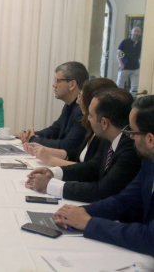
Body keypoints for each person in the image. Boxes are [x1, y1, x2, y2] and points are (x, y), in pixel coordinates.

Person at [53, 95, 154, 256]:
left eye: (132, 131)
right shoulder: (149, 162)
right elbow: (125, 200)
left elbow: (150, 238)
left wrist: (89, 223)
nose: (130, 136)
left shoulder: (140, 156)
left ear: (150, 139)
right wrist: (78, 212)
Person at [25, 88, 141, 203]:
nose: (88, 118)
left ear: (104, 123)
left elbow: (102, 191)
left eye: (90, 115)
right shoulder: (110, 137)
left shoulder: (130, 149)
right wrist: (54, 173)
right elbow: (92, 167)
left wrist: (49, 186)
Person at [23, 78, 117, 166]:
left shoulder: (103, 133)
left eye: (81, 96)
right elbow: (75, 153)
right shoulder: (90, 125)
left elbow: (91, 169)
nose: (78, 101)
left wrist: (49, 158)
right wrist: (40, 146)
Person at [18, 61, 89, 152]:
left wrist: (33, 139)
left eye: (57, 81)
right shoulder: (69, 105)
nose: (53, 85)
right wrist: (31, 135)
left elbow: (67, 146)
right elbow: (55, 130)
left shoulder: (81, 111)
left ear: (72, 85)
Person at [117, 26, 142, 97]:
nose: (136, 33)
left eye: (138, 31)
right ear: (131, 32)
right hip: (124, 67)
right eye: (135, 31)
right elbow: (118, 54)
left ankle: (132, 101)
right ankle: (119, 99)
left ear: (140, 33)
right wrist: (120, 63)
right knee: (120, 86)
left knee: (135, 87)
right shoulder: (125, 42)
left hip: (135, 68)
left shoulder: (140, 43)